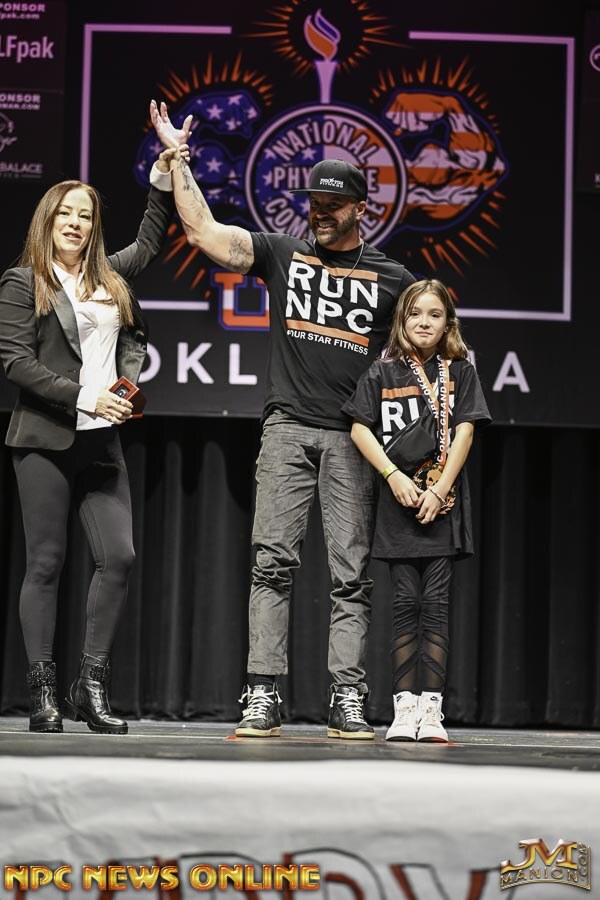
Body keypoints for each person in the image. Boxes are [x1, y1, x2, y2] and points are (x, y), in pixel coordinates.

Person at [150, 99, 415, 739]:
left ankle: (347, 697)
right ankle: (262, 693)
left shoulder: (391, 279)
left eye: (333, 206)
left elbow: (423, 358)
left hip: (353, 438)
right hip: (286, 428)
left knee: (350, 576)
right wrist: (178, 160)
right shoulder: (282, 253)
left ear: (361, 208)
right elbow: (204, 234)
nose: (320, 214)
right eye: (314, 204)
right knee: (271, 565)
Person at [0, 158, 175, 733]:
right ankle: (42, 693)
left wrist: (161, 177)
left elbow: (149, 242)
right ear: (48, 221)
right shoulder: (23, 282)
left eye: (86, 215)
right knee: (46, 563)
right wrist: (85, 397)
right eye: (66, 214)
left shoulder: (108, 277)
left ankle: (89, 686)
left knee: (118, 557)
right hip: (44, 440)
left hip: (101, 443)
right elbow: (16, 363)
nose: (75, 223)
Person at [343, 279, 491, 742]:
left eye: (434, 314)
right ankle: (404, 709)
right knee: (405, 604)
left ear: (448, 323)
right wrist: (393, 475)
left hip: (442, 505)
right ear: (402, 320)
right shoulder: (382, 372)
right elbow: (359, 428)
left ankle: (432, 711)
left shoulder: (460, 371)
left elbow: (466, 431)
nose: (424, 322)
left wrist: (440, 488)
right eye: (415, 314)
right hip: (399, 504)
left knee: (437, 606)